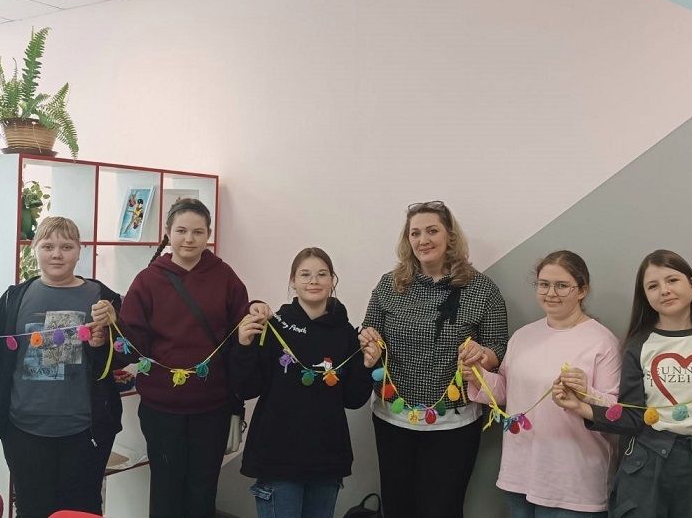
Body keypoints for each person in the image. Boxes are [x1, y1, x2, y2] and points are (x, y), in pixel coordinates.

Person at [553, 249, 692, 517]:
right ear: (645, 296)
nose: (664, 290)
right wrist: (581, 407)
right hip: (646, 462)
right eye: (653, 286)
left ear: (691, 284)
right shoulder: (639, 344)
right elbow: (632, 416)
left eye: (672, 280)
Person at [359, 200, 509, 518]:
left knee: (443, 508)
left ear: (450, 236)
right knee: (397, 507)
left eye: (432, 231)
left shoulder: (482, 289)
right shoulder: (389, 284)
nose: (423, 240)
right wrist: (369, 345)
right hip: (393, 417)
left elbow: (498, 348)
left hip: (454, 422)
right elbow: (370, 335)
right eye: (415, 233)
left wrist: (482, 355)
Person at [118, 198, 264, 518]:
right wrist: (109, 334)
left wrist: (256, 312)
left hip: (211, 407)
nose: (189, 239)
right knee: (166, 490)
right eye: (181, 230)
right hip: (161, 407)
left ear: (208, 235)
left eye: (198, 232)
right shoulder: (148, 280)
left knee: (203, 490)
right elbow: (133, 340)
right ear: (168, 232)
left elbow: (239, 332)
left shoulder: (224, 276)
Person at [0, 216, 122, 517]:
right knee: (32, 508)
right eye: (48, 246)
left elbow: (122, 356)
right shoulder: (15, 297)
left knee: (82, 509)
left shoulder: (103, 299)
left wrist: (102, 341)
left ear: (79, 251)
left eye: (66, 247)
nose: (57, 254)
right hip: (24, 428)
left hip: (85, 429)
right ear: (34, 249)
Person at [464, 250, 620, 517]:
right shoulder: (523, 336)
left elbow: (615, 411)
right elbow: (506, 393)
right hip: (520, 472)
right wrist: (477, 374)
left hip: (573, 480)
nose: (551, 293)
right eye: (544, 284)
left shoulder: (602, 341)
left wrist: (586, 392)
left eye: (562, 286)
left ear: (582, 290)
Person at [232, 247, 382, 518]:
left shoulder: (347, 334)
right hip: (277, 458)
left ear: (332, 280)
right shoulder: (274, 327)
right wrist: (244, 345)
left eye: (322, 274)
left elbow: (352, 400)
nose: (314, 281)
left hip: (326, 461)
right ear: (293, 281)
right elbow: (246, 388)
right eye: (305, 274)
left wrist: (367, 366)